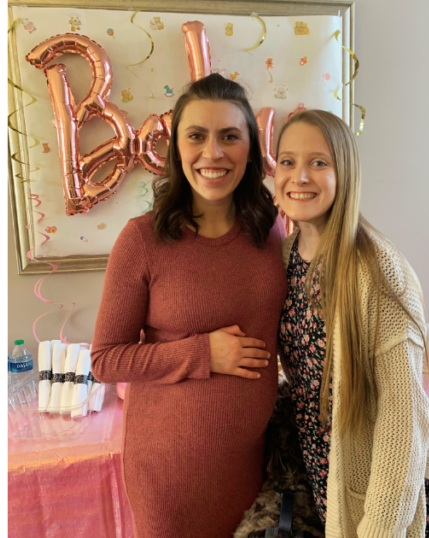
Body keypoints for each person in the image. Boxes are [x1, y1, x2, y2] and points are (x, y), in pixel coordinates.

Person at [90, 73, 288, 538]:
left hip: (251, 467)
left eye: (230, 137)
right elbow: (104, 360)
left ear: (251, 149)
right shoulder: (142, 239)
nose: (213, 153)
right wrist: (202, 353)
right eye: (196, 136)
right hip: (171, 477)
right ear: (176, 147)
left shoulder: (271, 231)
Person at [273, 109, 429, 538]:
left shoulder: (377, 270)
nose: (300, 177)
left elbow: (403, 419)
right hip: (324, 471)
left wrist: (381, 526)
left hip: (381, 490)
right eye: (288, 161)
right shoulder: (284, 256)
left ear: (344, 174)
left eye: (319, 162)